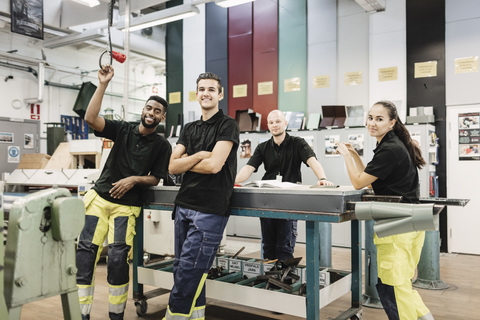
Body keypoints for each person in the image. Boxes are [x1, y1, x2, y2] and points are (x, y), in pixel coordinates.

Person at [76, 65, 173, 320]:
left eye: (158, 111)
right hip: (98, 200)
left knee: (118, 260)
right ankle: (81, 315)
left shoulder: (162, 145)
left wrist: (133, 179)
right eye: (149, 108)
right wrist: (103, 84)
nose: (152, 113)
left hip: (126, 207)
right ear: (143, 110)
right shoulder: (122, 129)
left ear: (162, 118)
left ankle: (116, 316)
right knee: (85, 257)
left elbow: (156, 178)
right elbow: (90, 119)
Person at [336, 100, 434, 320]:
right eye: (370, 118)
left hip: (397, 227)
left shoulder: (390, 149)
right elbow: (371, 180)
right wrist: (354, 156)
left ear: (391, 123)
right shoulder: (393, 145)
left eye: (379, 119)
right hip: (409, 223)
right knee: (402, 286)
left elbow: (358, 183)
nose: (372, 123)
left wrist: (344, 155)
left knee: (393, 288)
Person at [164, 72, 239, 320]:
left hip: (209, 210)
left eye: (211, 89)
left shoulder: (227, 125)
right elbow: (172, 167)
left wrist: (186, 161)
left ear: (220, 94)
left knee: (189, 270)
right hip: (183, 206)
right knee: (183, 269)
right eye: (201, 89)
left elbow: (215, 165)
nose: (205, 93)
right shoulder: (189, 128)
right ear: (197, 94)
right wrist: (197, 156)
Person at [235, 110, 334, 261]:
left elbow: (312, 160)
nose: (275, 125)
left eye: (278, 121)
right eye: (271, 122)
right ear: (268, 125)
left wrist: (323, 178)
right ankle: (270, 280)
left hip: (289, 201)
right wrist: (233, 181)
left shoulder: (298, 143)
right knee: (268, 247)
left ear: (285, 123)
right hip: (267, 201)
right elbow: (249, 168)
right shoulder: (263, 147)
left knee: (285, 248)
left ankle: (284, 280)